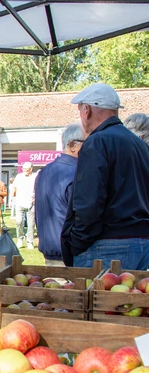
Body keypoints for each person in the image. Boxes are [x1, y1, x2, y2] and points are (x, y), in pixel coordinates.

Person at [62, 83, 149, 269]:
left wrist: (77, 242)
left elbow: (88, 201)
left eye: (80, 111)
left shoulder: (97, 142)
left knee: (97, 299)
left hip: (108, 243)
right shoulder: (139, 144)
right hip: (141, 241)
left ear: (87, 110)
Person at [34, 124, 83, 266]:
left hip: (51, 250)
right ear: (72, 145)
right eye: (88, 143)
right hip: (69, 253)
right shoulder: (77, 172)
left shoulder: (45, 171)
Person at [11, 162, 37, 249]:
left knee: (31, 224)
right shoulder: (19, 177)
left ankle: (30, 241)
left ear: (31, 169)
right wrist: (11, 200)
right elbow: (14, 188)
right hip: (20, 202)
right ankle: (20, 238)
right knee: (19, 221)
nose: (24, 171)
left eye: (26, 169)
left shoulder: (35, 176)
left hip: (31, 203)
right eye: (23, 169)